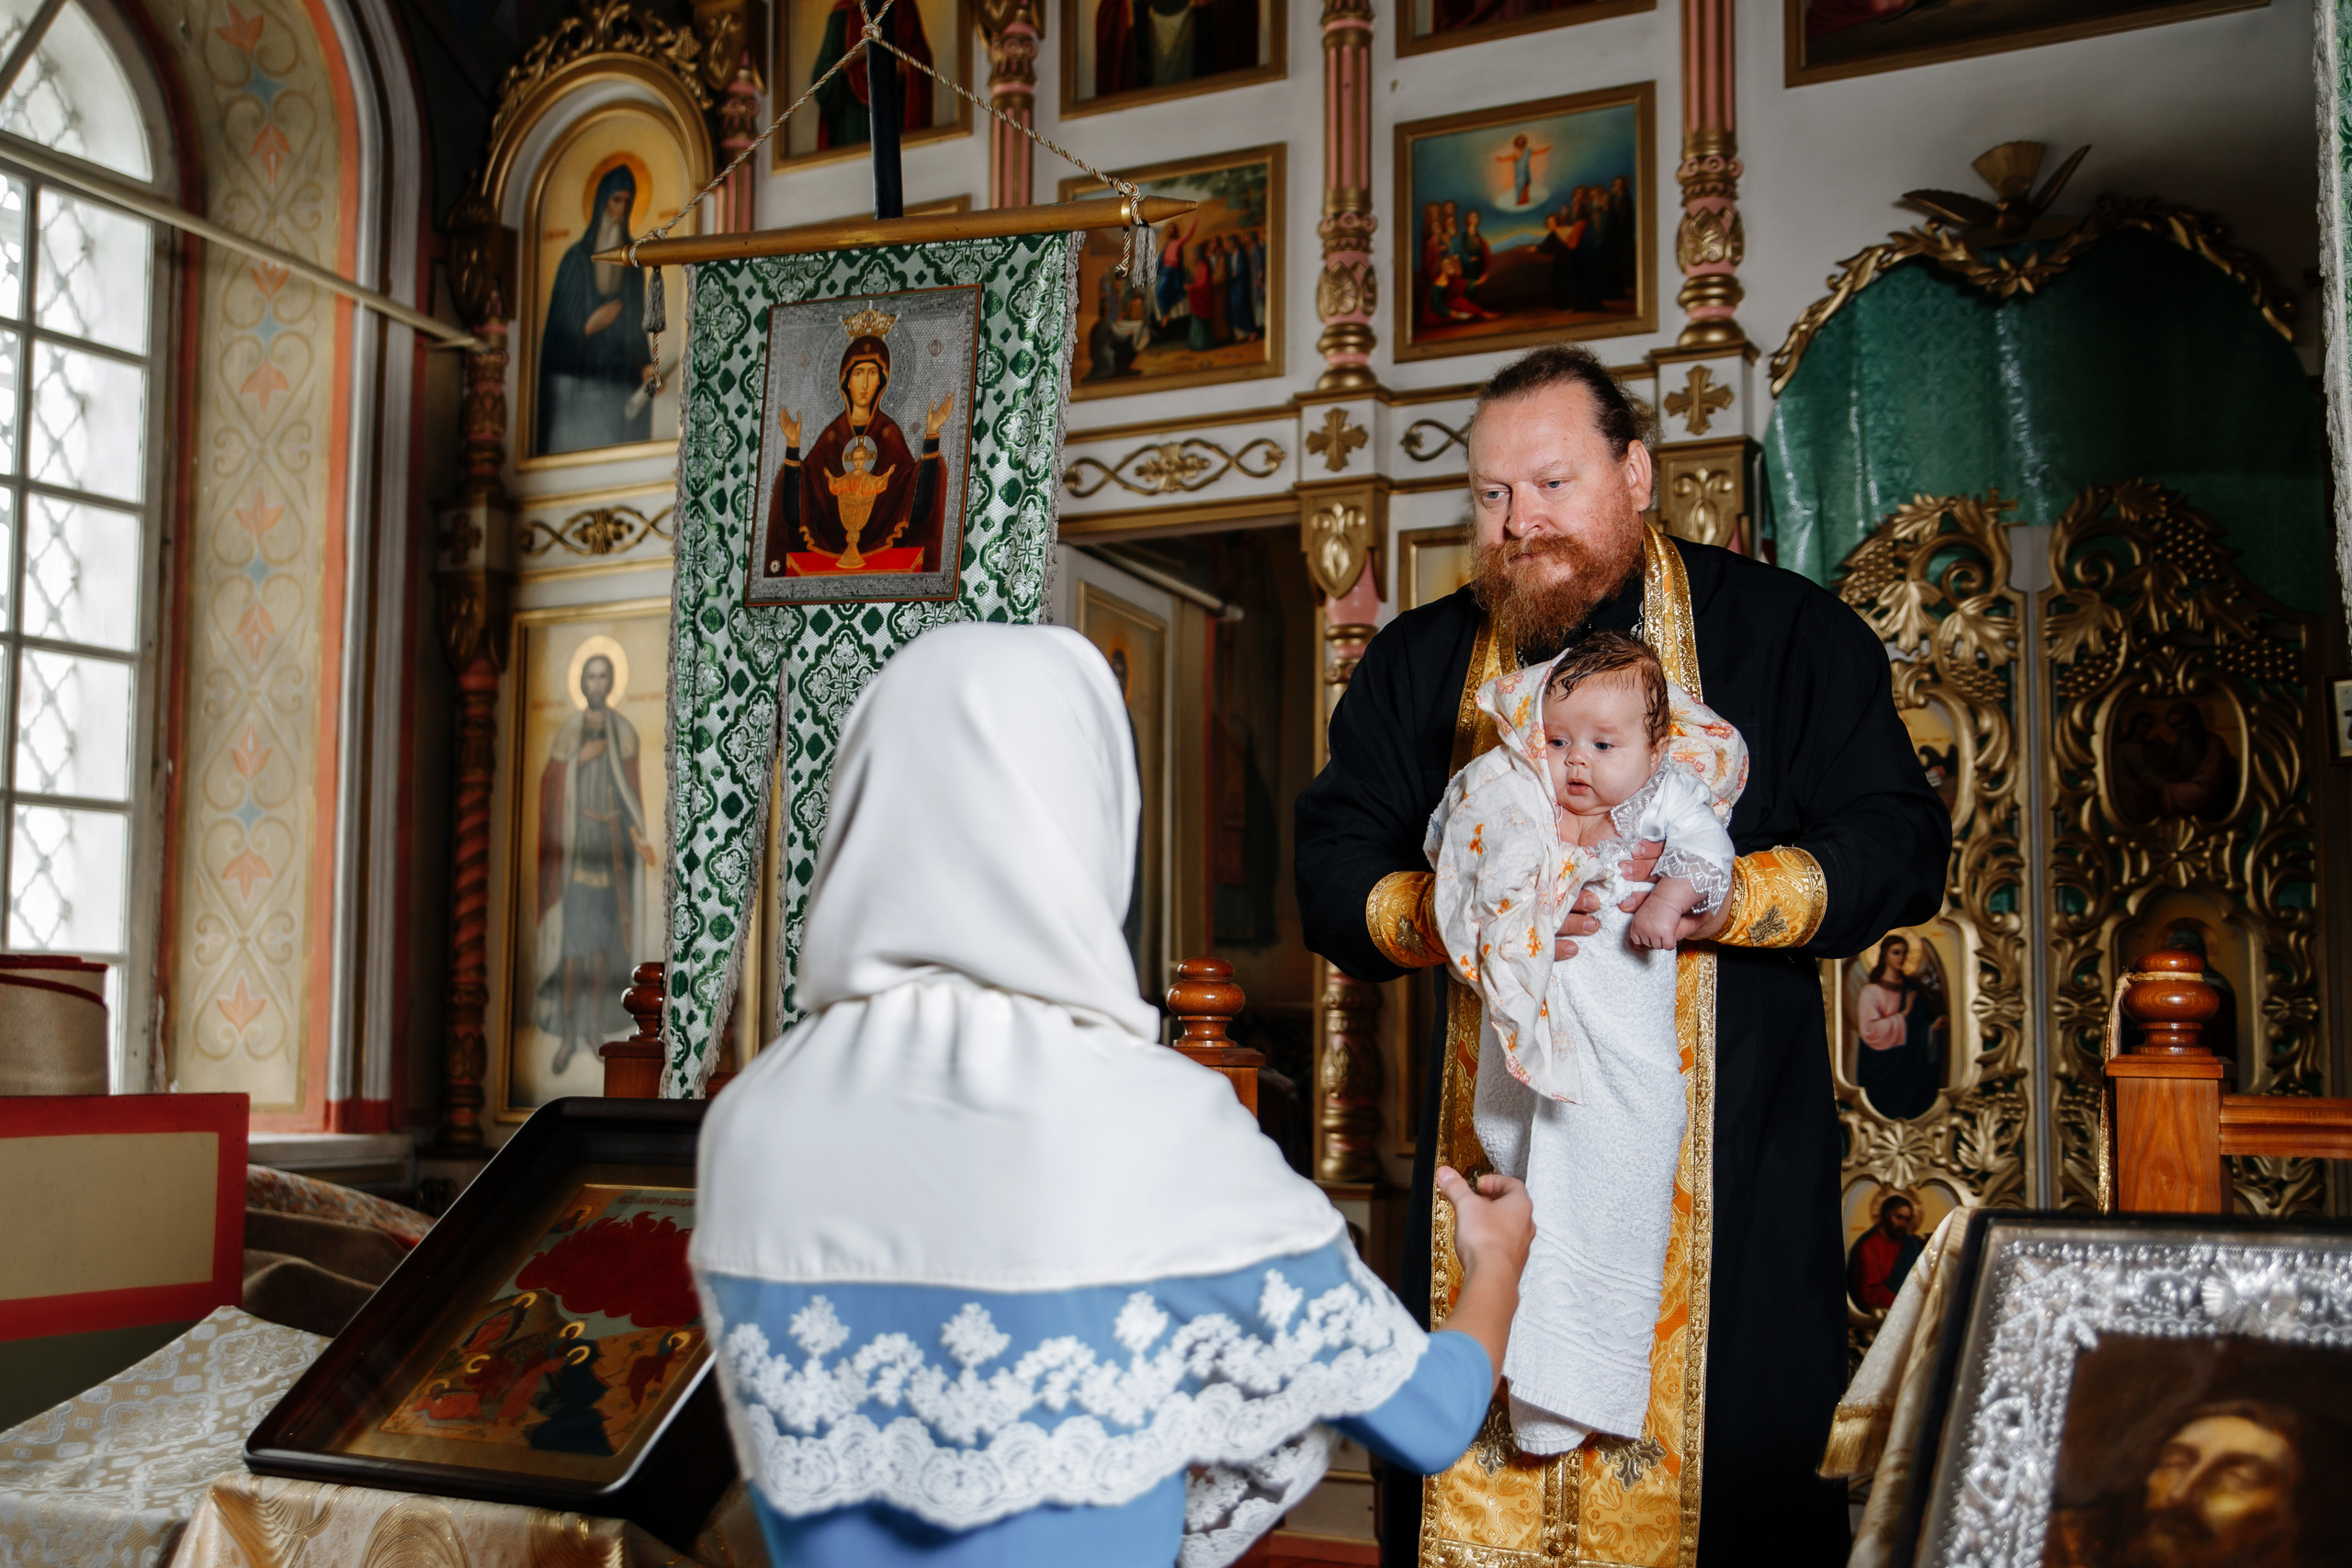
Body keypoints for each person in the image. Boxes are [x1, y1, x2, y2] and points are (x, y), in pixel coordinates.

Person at [1293, 343, 1949, 1565]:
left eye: (1550, 484)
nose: (1516, 524)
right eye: (1491, 495)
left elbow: (1902, 841)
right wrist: (1450, 913)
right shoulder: (1421, 663)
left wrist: (1729, 897)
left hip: (1726, 1193)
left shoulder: (1786, 635)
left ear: (1637, 471)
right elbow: (1333, 866)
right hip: (1490, 1155)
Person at [692, 625, 1538, 1568]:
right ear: (1086, 811)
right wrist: (1494, 1261)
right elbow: (1426, 1418)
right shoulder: (1156, 1120)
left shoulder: (749, 1121)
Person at [1430, 631, 1743, 1452]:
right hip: (1542, 1023)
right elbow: (1470, 860)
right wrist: (1521, 902)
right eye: (1562, 740)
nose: (1578, 763)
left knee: (1616, 1166)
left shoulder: (1664, 799)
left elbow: (1711, 852)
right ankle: (1538, 1371)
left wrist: (1669, 897)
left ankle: (1576, 1376)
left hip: (1625, 1030)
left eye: (1604, 745)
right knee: (1525, 1148)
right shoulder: (1526, 793)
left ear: (1654, 746)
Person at [535, 653, 654, 1075]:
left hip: (610, 854)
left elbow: (629, 795)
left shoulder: (623, 732)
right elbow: (550, 790)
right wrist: (579, 761)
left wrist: (638, 835)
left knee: (602, 954)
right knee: (573, 958)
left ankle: (591, 1030)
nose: (598, 683)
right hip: (574, 859)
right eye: (591, 676)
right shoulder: (569, 734)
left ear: (612, 681)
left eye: (605, 676)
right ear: (582, 684)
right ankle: (568, 1036)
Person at [763, 332, 954, 577]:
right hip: (826, 559)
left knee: (937, 467)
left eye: (872, 373)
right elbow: (795, 511)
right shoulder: (831, 437)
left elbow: (916, 506)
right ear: (846, 381)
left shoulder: (888, 434)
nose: (865, 384)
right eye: (858, 373)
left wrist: (932, 435)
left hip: (885, 559)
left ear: (882, 381)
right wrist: (793, 444)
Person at [537, 165, 656, 455]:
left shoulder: (632, 268)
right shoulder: (575, 263)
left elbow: (637, 335)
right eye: (616, 200)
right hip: (580, 398)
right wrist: (588, 328)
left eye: (627, 202)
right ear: (602, 201)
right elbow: (554, 346)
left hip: (621, 394)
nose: (621, 209)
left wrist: (644, 368)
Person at [811, 0, 933, 148]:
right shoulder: (843, 13)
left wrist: (903, 67)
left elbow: (920, 57)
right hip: (851, 127)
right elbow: (821, 84)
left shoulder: (903, 6)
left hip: (893, 117)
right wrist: (853, 57)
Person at [1855, 933, 1943, 1120]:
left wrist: (1931, 1029)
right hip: (1879, 1065)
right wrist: (1903, 1015)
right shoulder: (1870, 992)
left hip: (1909, 1065)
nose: (1901, 958)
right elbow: (1869, 1030)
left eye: (1904, 953)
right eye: (1896, 953)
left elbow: (1921, 1025)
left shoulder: (1912, 988)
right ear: (1884, 955)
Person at [1845, 1192, 1923, 1311]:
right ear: (1886, 1215)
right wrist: (1905, 1304)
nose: (1903, 1224)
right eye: (1899, 1217)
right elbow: (1870, 1293)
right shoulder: (1868, 1246)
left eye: (1907, 1220)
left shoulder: (1911, 1246)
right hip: (1887, 1310)